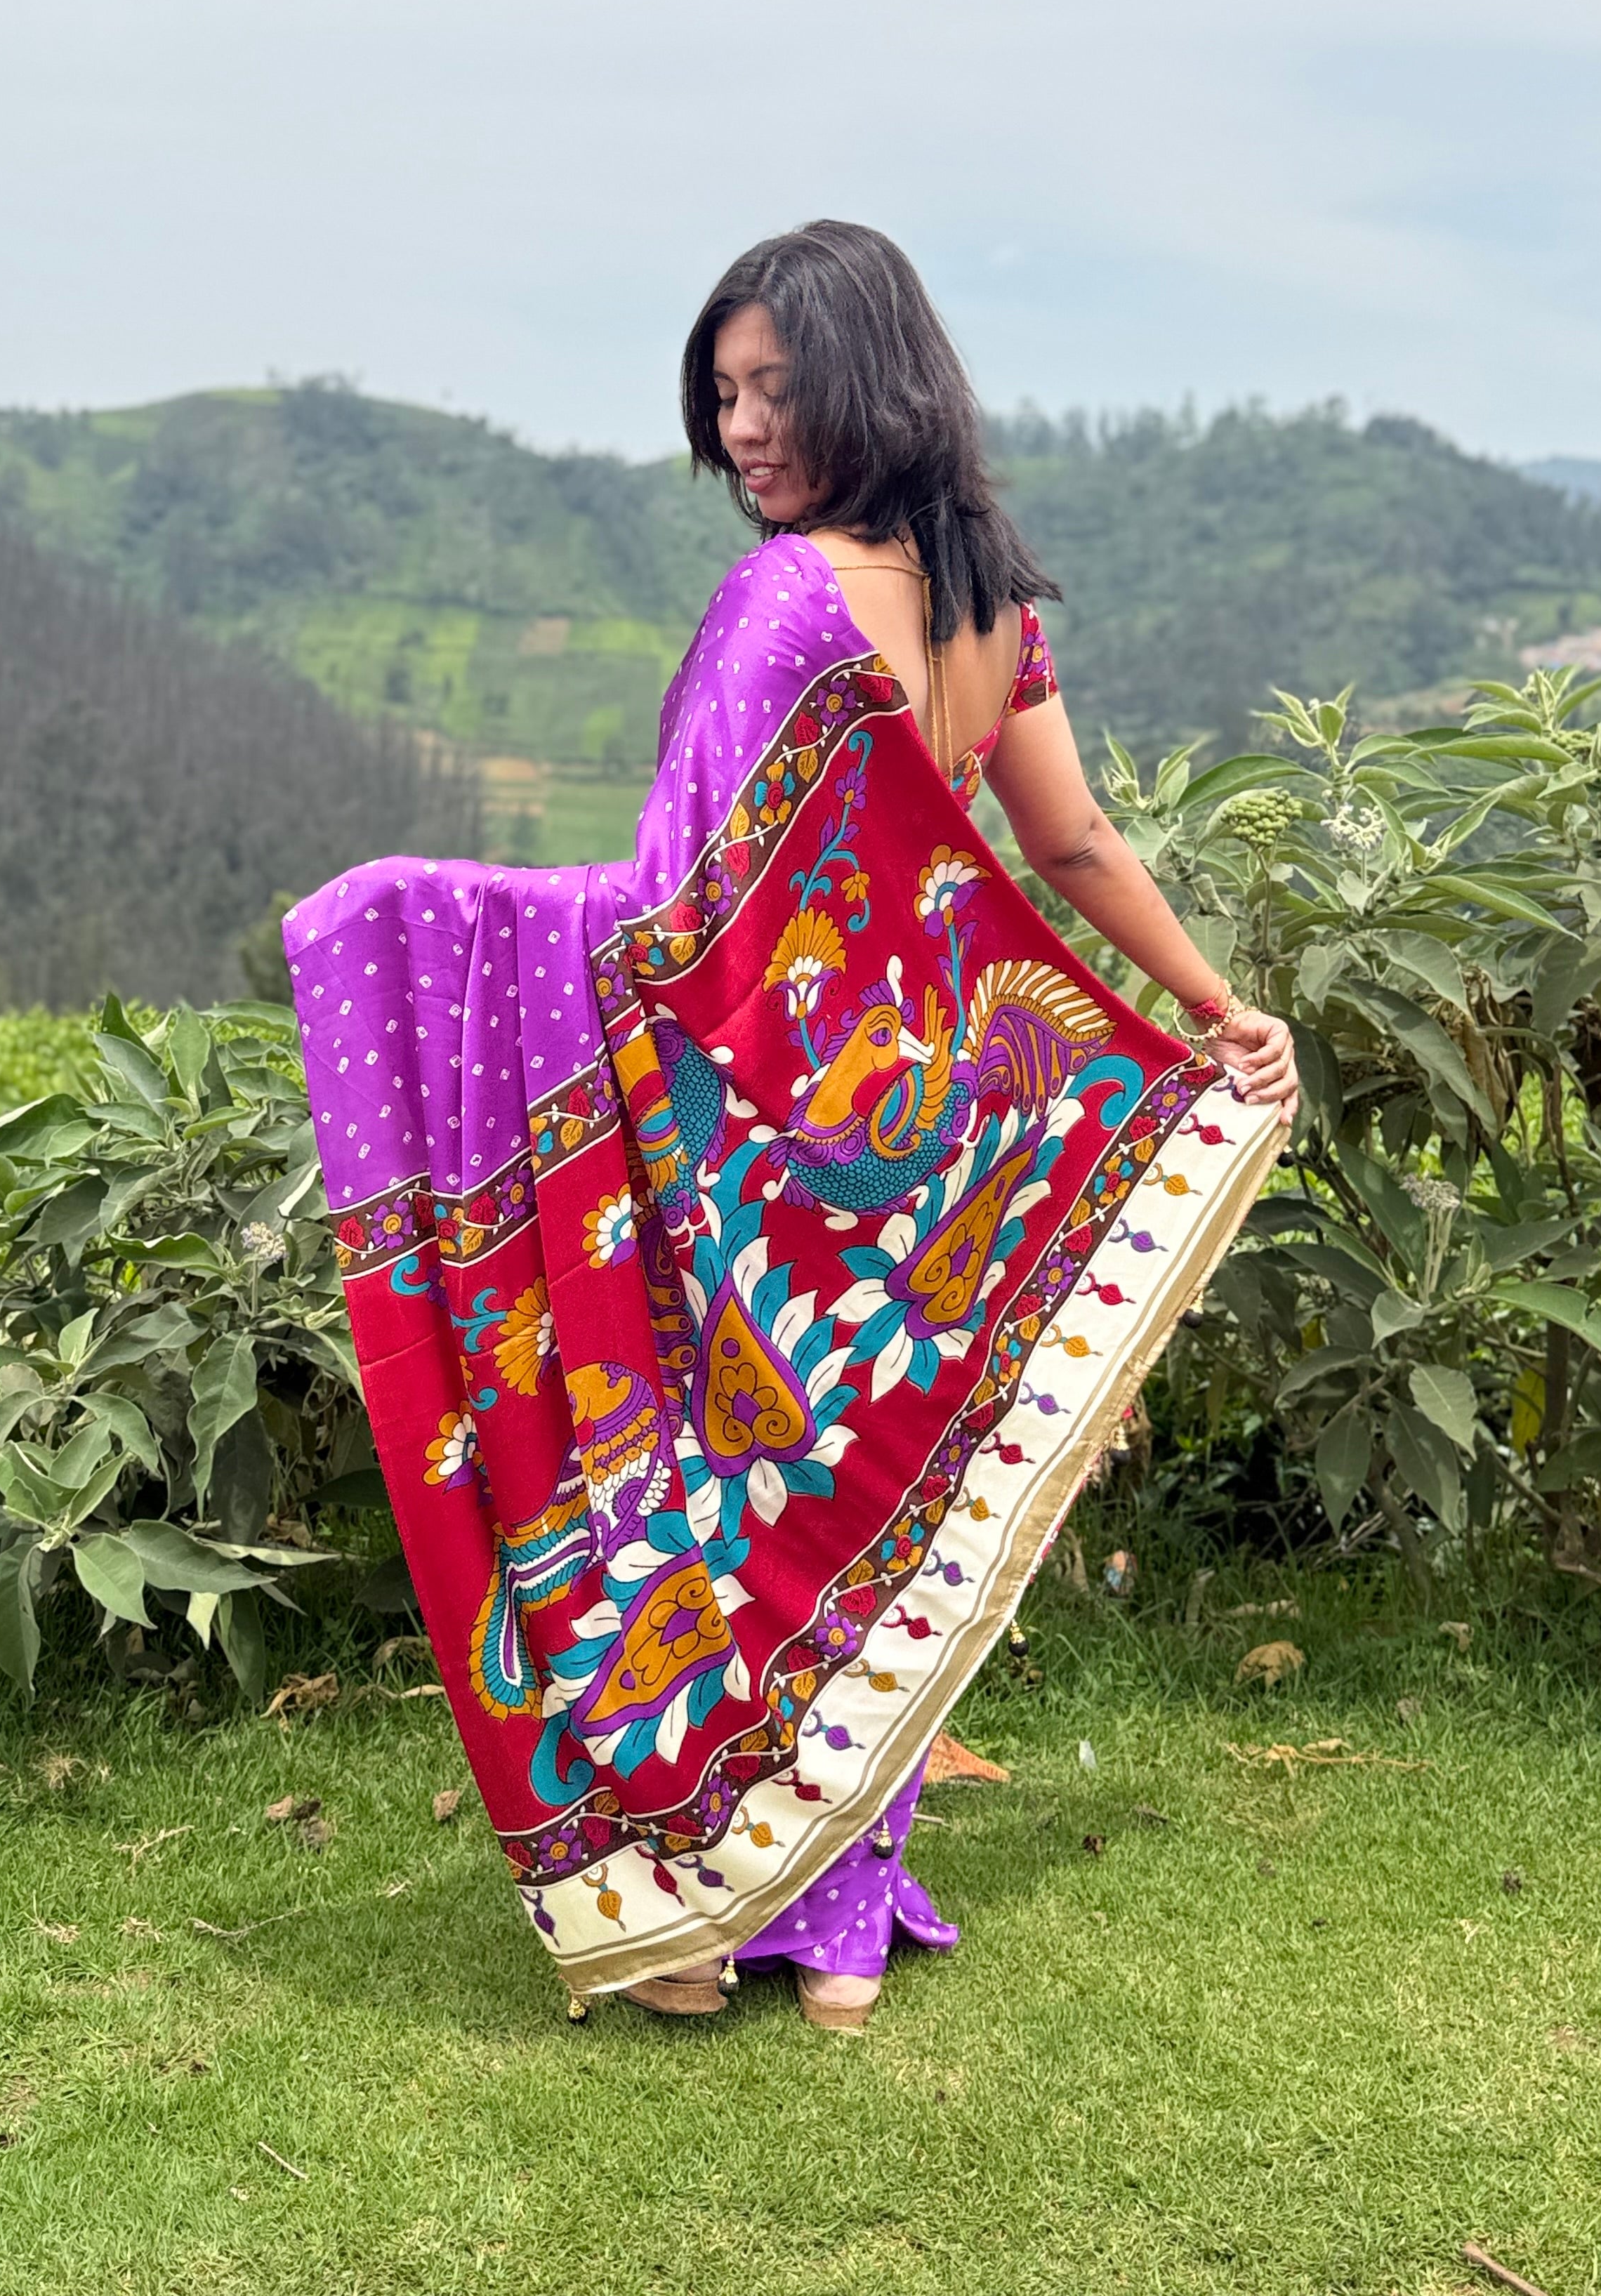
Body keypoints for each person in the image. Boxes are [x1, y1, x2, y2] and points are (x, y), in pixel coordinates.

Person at [285, 221, 1294, 2036]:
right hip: (921, 1147)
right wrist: (1216, 1010)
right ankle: (838, 1918)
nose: (745, 429)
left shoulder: (784, 602)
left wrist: (422, 928)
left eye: (774, 390)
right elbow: (1068, 850)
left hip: (745, 1148)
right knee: (871, 1496)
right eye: (726, 394)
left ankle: (695, 1917)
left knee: (715, 1506)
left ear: (867, 382)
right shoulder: (995, 616)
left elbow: (687, 925)